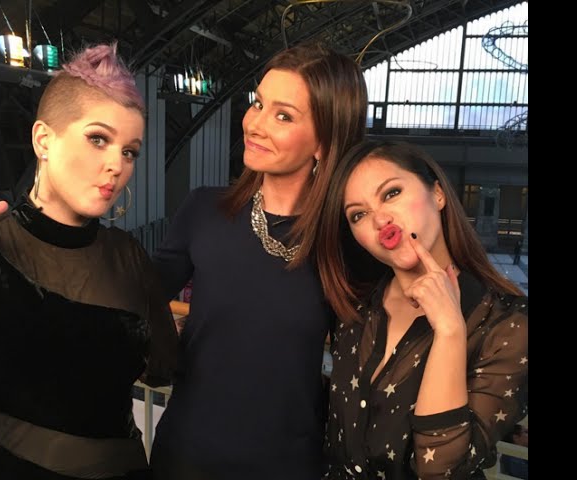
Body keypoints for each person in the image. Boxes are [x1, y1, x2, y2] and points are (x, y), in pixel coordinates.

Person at [147, 42, 382, 480]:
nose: (254, 124)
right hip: (186, 455)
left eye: (283, 116)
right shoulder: (204, 210)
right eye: (258, 103)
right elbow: (133, 293)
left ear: (324, 142)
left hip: (288, 463)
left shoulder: (347, 243)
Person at [0, 44, 180, 480]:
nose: (116, 165)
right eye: (98, 139)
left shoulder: (129, 257)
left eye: (129, 151)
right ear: (43, 140)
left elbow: (164, 367)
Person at [316, 140, 528, 479]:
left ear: (438, 194)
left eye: (391, 193)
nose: (380, 219)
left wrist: (450, 331)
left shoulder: (509, 325)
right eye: (358, 214)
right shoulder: (353, 308)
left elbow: (440, 469)